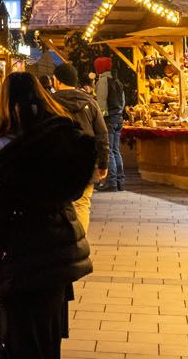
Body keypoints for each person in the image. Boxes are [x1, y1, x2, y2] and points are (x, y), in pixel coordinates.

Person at [0, 72, 95, 359]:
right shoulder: (60, 140)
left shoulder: (6, 149)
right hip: (57, 256)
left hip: (22, 258)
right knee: (48, 340)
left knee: (21, 341)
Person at [47, 62, 108, 241]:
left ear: (57, 81)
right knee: (82, 204)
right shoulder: (90, 103)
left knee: (57, 204)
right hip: (85, 162)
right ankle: (79, 241)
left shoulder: (49, 103)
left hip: (57, 163)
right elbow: (102, 136)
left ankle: (61, 243)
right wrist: (103, 164)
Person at [93, 56, 126, 191]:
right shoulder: (117, 81)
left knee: (109, 151)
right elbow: (123, 101)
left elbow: (101, 102)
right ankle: (119, 181)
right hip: (118, 117)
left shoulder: (103, 81)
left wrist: (99, 118)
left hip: (109, 119)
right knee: (116, 150)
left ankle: (111, 182)